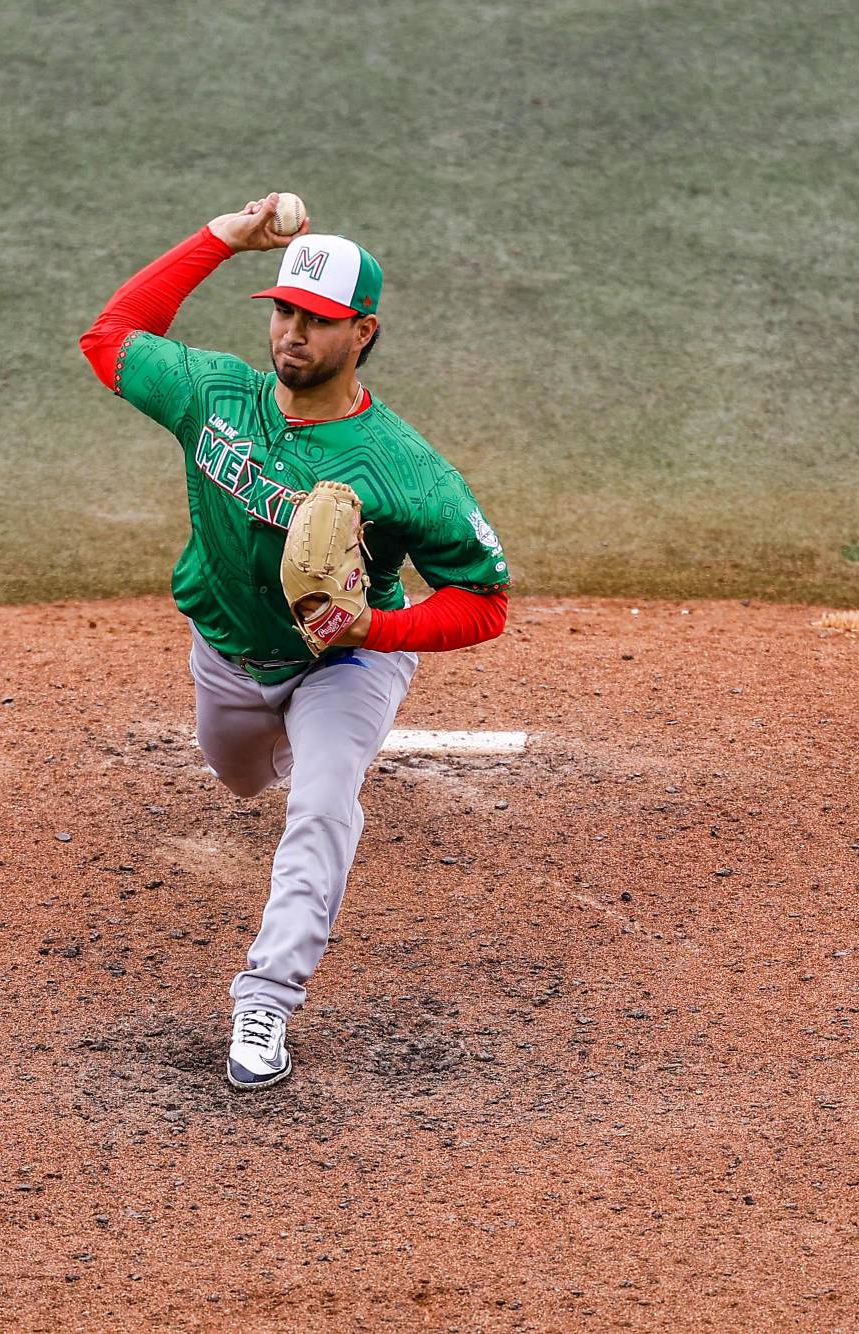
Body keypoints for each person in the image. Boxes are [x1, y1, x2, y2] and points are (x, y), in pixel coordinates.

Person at [79, 193, 512, 1090]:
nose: (292, 335)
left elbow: (485, 600)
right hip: (229, 656)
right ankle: (278, 751)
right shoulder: (215, 396)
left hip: (345, 664)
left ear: (364, 333)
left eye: (316, 320)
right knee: (239, 777)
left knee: (320, 805)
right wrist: (226, 237)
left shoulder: (404, 471)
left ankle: (265, 1004)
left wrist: (373, 627)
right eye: (283, 311)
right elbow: (110, 338)